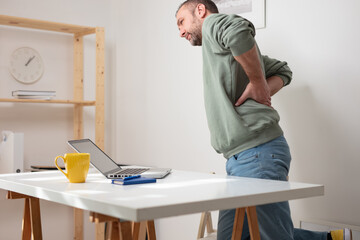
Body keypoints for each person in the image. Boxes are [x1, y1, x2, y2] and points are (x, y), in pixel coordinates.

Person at [175, 0, 352, 240]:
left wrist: (258, 84)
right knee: (233, 236)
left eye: (181, 22)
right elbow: (283, 70)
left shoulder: (213, 24)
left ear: (200, 10)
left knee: (273, 236)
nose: (181, 31)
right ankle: (334, 238)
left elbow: (237, 30)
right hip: (240, 160)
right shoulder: (222, 52)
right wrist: (260, 86)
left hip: (258, 154)